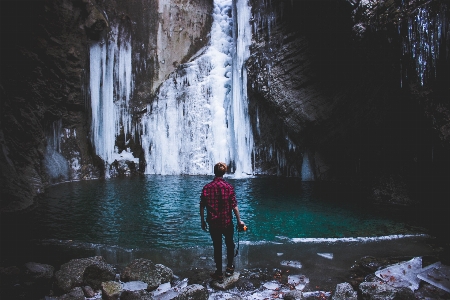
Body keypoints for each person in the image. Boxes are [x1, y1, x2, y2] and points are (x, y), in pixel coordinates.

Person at [200, 162, 245, 282]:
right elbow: (234, 206)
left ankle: (219, 273)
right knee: (230, 244)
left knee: (217, 247)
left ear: (214, 172)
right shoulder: (228, 187)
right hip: (227, 221)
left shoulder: (207, 187)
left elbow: (202, 206)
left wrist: (202, 221)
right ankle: (230, 268)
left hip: (213, 223)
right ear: (224, 172)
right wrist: (239, 221)